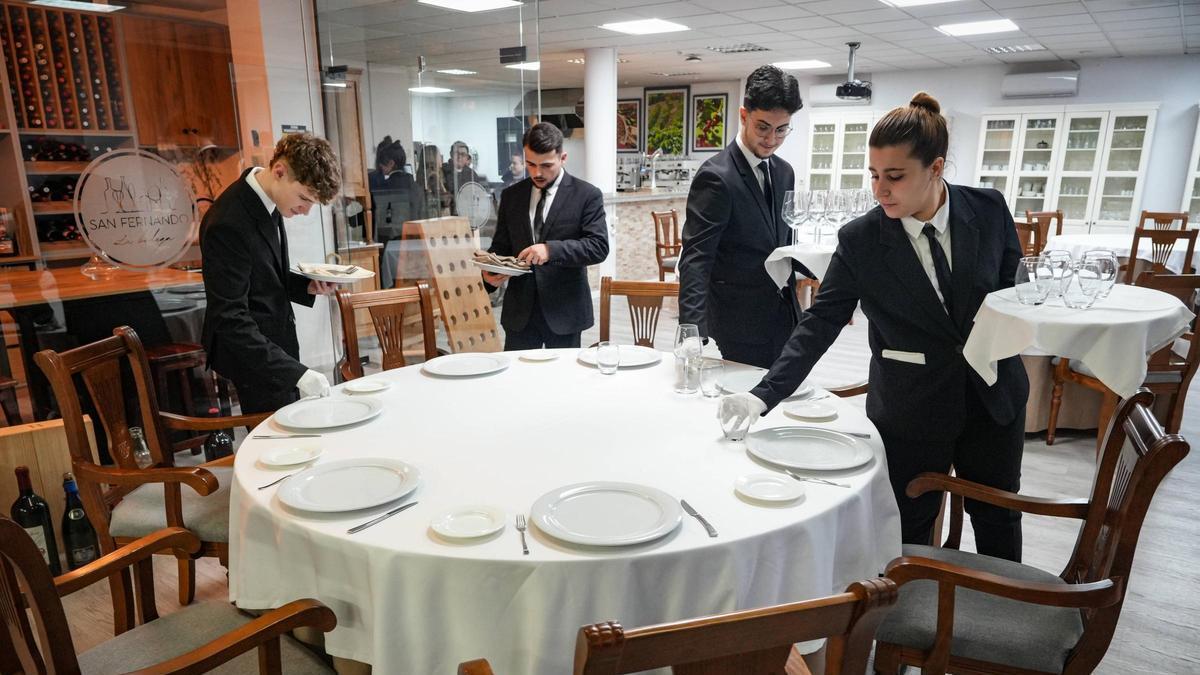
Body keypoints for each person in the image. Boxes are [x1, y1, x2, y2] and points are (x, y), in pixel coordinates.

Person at [719, 92, 1029, 562]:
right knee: (907, 530)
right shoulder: (862, 239)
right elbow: (820, 322)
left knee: (997, 518)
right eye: (874, 176)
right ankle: (908, 629)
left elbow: (1012, 293)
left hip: (994, 395)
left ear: (936, 167)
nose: (880, 190)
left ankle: (1005, 619)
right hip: (912, 404)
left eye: (895, 177)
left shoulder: (988, 210)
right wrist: (764, 393)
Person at [201, 133, 342, 414]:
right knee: (273, 441)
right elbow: (229, 318)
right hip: (251, 352)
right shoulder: (228, 222)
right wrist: (297, 373)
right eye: (304, 198)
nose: (305, 211)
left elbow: (263, 274)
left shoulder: (270, 200)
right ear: (279, 171)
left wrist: (306, 286)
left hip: (277, 342)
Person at [678, 65, 807, 369]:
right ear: (743, 115)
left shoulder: (784, 171)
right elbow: (696, 259)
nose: (772, 139)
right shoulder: (716, 176)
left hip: (784, 318)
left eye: (782, 129)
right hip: (736, 327)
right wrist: (693, 333)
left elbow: (780, 243)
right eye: (763, 127)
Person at [481, 122, 609, 349]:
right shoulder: (512, 196)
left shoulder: (587, 195)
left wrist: (551, 250)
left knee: (561, 383)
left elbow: (598, 246)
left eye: (546, 165)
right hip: (519, 313)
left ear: (563, 158)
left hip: (565, 311)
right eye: (530, 164)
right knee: (518, 382)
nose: (537, 173)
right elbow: (501, 245)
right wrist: (491, 271)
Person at [368, 136, 422, 244]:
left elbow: (378, 215)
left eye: (382, 163)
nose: (380, 166)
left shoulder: (385, 187)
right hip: (414, 238)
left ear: (391, 164)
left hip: (392, 240)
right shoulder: (415, 186)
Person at [443, 140, 486, 216]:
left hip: (468, 215)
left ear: (467, 157)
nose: (459, 157)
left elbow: (479, 196)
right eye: (457, 153)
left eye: (463, 154)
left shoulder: (472, 174)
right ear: (451, 155)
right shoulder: (444, 171)